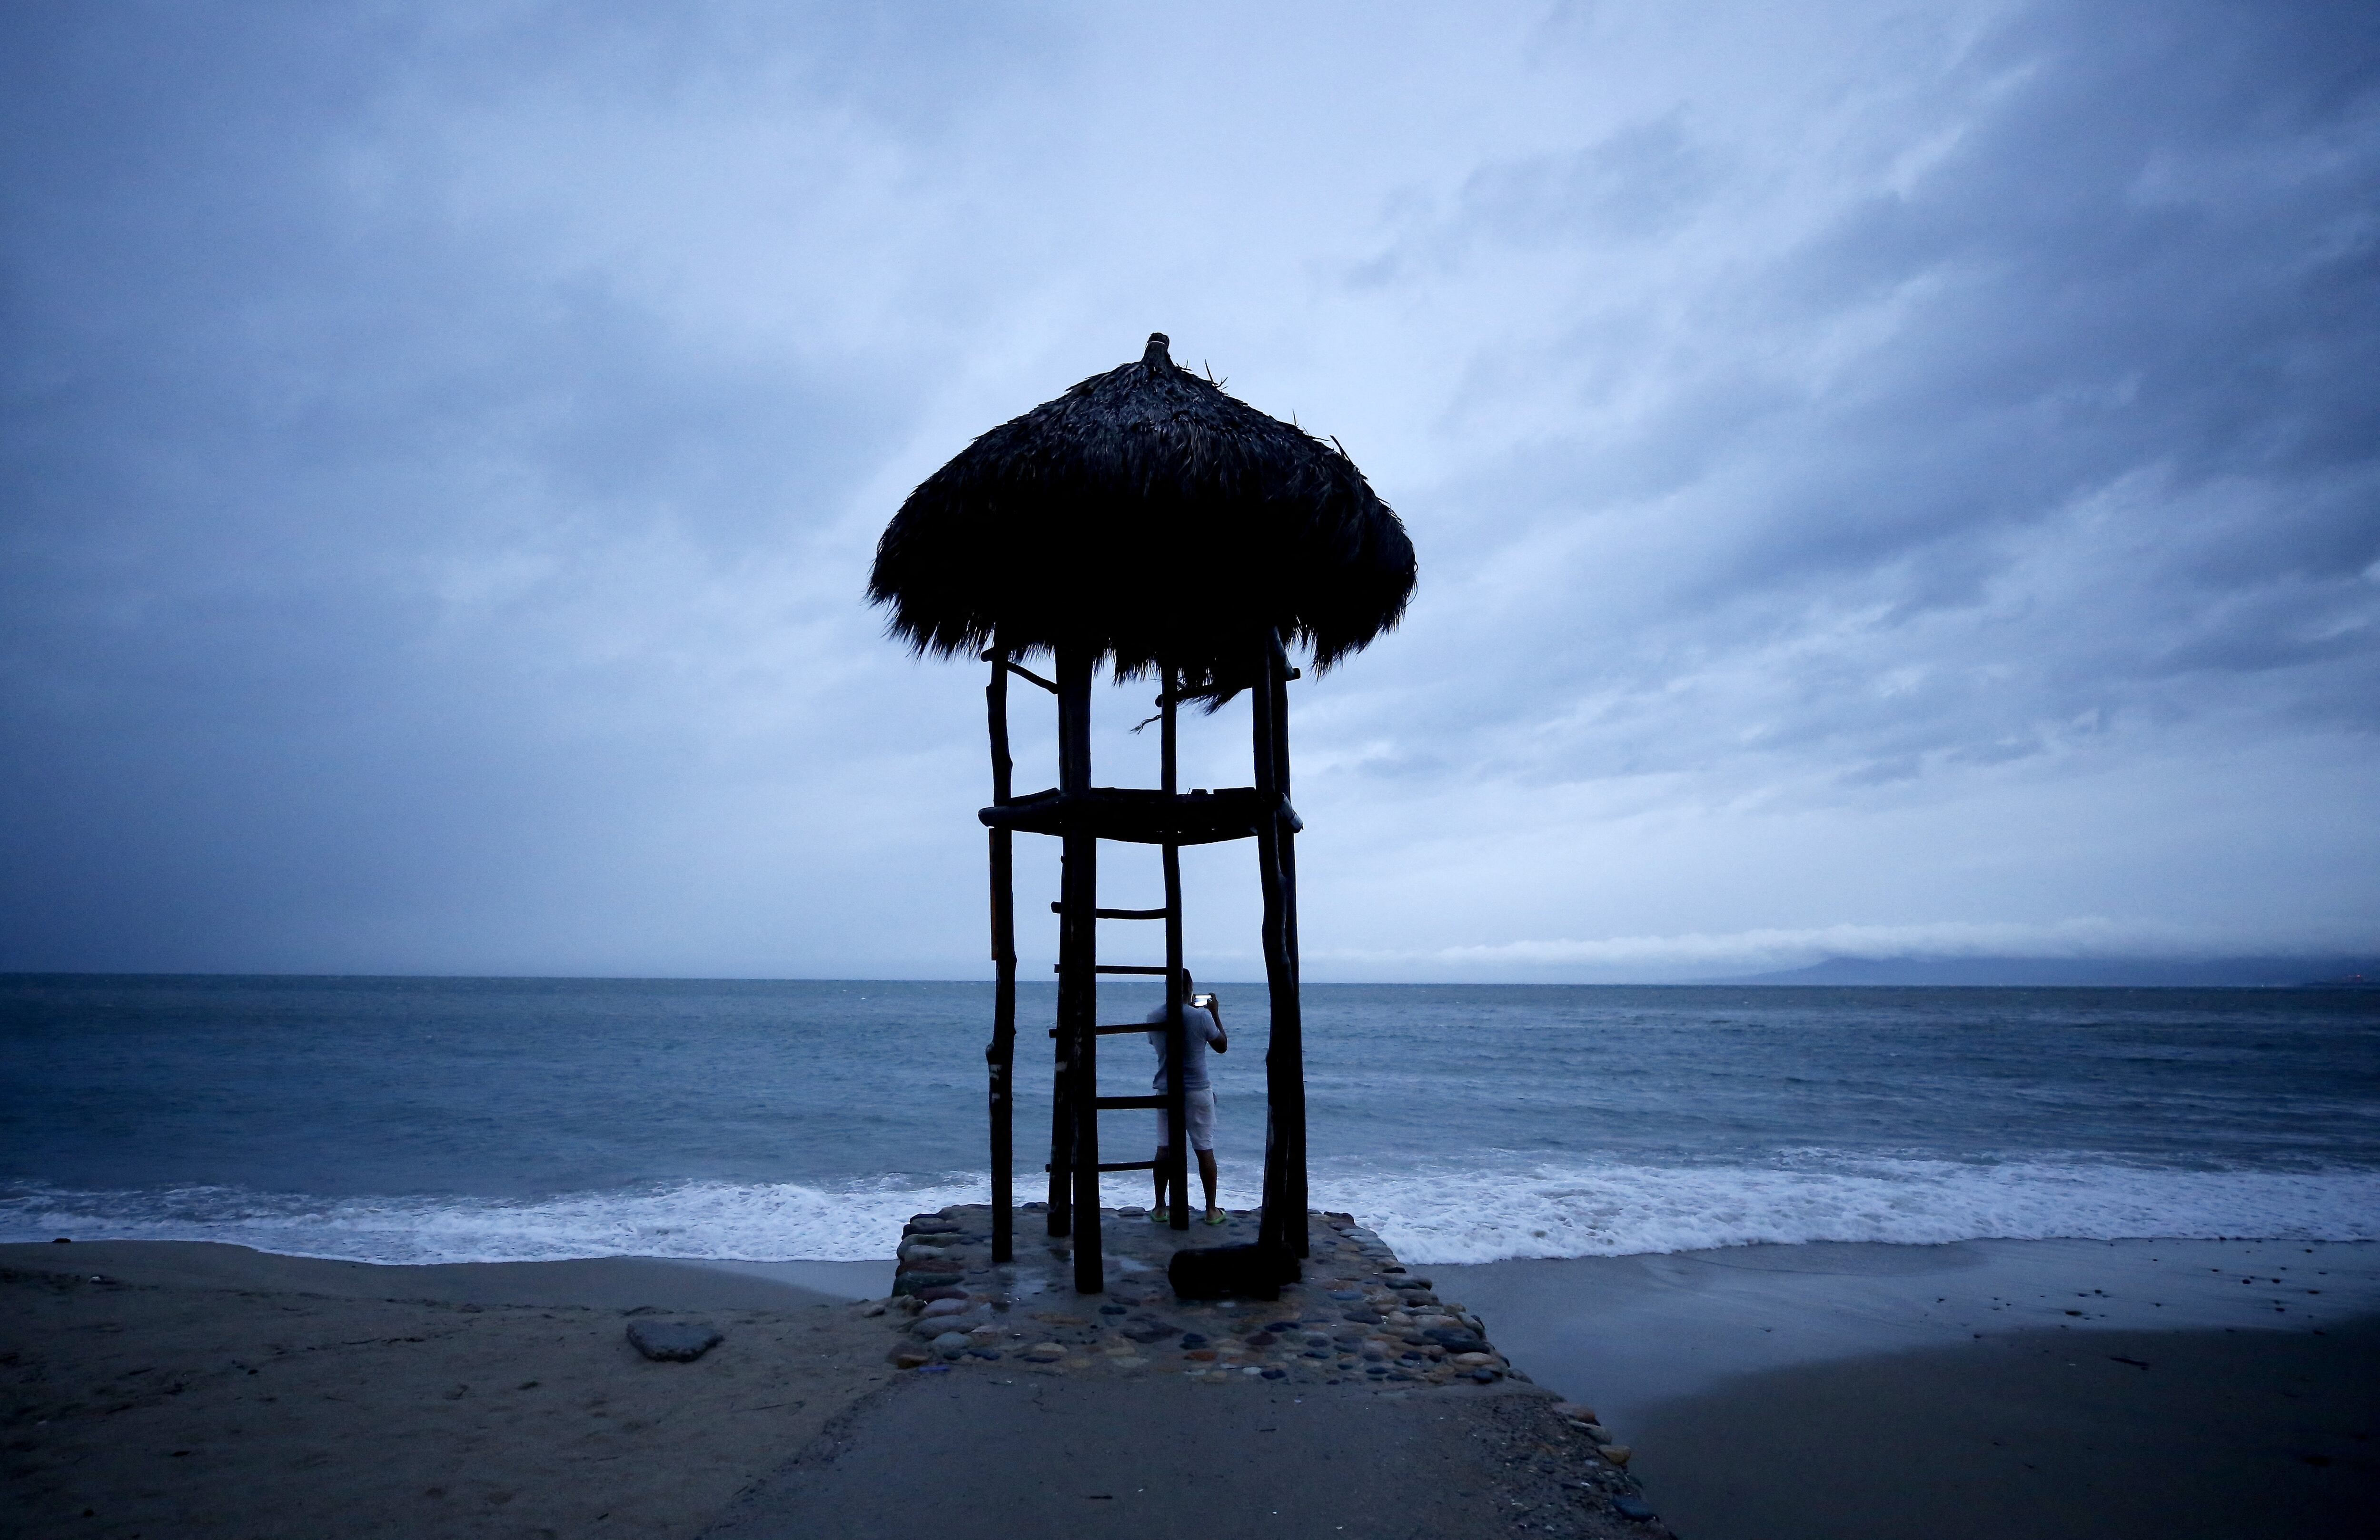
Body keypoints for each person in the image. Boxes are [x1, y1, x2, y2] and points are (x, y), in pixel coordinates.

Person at [1146, 973, 1228, 1225]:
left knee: (1164, 1148)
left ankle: (1160, 1206)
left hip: (1166, 1089)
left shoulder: (1154, 1016)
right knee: (1204, 1148)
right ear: (1190, 989)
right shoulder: (1200, 1016)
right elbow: (1222, 1046)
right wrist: (1214, 1013)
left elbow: (1155, 1044)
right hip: (1197, 1090)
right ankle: (1211, 1209)